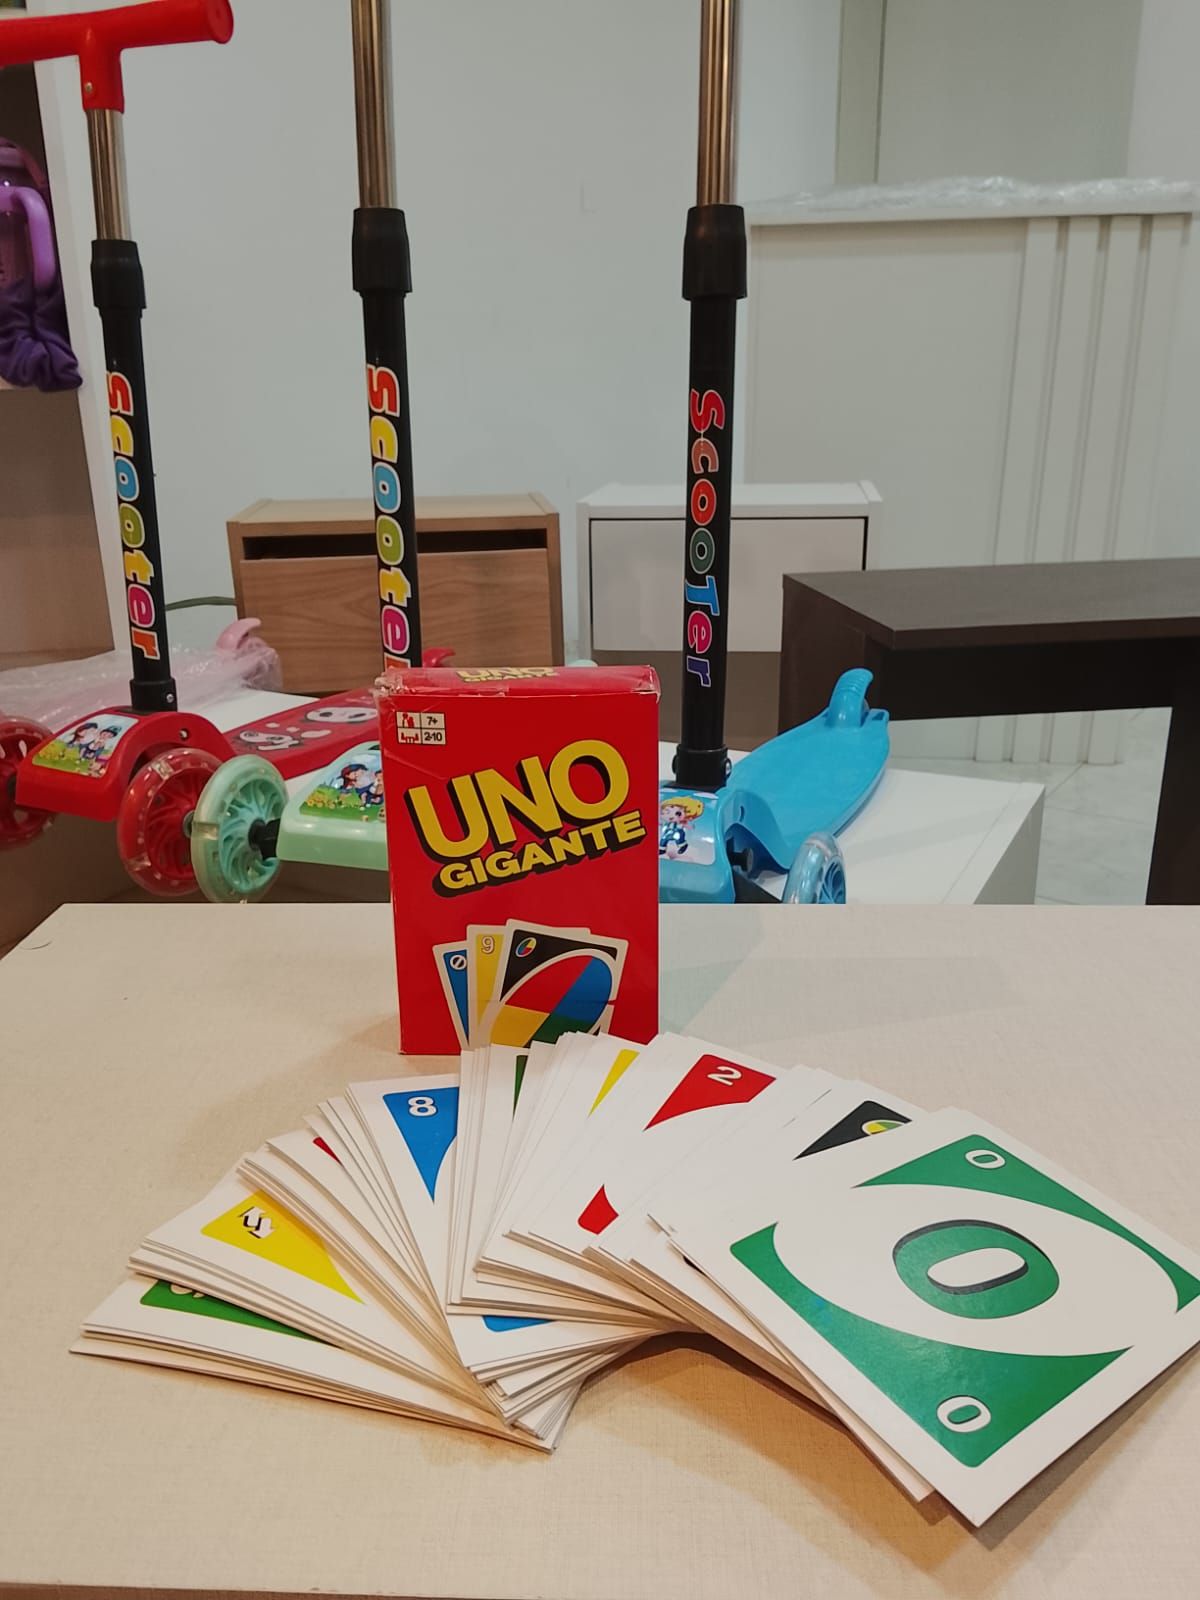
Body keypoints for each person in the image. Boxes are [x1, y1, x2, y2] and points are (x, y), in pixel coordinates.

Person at [659, 794, 705, 859]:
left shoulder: (682, 822)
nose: (670, 811)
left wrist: (689, 826)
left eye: (678, 813)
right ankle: (662, 849)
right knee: (663, 839)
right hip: (668, 831)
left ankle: (683, 845)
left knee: (679, 840)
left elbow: (688, 825)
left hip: (678, 832)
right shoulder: (667, 821)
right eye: (672, 806)